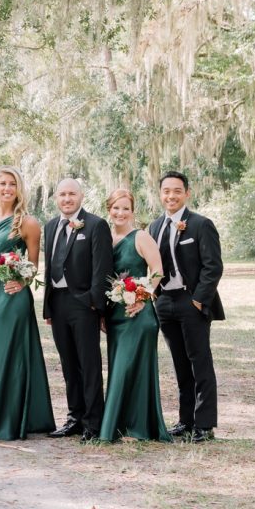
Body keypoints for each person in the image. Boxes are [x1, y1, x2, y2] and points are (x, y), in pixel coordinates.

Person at [0, 167, 55, 441]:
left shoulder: (28, 222)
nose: (7, 188)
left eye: (12, 184)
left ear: (19, 189)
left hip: (15, 296)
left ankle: (12, 419)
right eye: (2, 184)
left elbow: (32, 264)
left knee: (13, 352)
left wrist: (21, 283)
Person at [150, 171, 224, 443]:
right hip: (164, 302)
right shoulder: (154, 227)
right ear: (160, 194)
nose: (171, 195)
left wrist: (198, 299)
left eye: (176, 191)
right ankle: (186, 420)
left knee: (200, 362)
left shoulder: (200, 225)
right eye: (166, 191)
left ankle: (204, 424)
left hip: (190, 301)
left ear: (187, 194)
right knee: (180, 364)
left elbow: (213, 266)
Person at [43, 178, 114, 442]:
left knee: (89, 363)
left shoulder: (96, 225)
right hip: (58, 303)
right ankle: (74, 417)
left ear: (81, 196)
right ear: (56, 198)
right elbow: (48, 266)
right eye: (62, 194)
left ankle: (93, 423)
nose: (67, 198)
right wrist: (48, 306)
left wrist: (95, 304)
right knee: (68, 363)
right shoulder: (50, 226)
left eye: (72, 194)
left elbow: (102, 268)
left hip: (84, 304)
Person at [100, 188, 169, 442]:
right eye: (116, 208)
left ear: (132, 211)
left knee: (132, 368)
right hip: (116, 314)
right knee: (119, 368)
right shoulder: (105, 238)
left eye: (125, 208)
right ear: (109, 210)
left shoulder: (141, 236)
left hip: (139, 314)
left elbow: (158, 270)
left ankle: (137, 427)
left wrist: (143, 296)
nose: (120, 213)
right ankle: (121, 425)